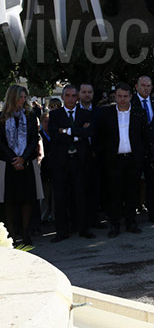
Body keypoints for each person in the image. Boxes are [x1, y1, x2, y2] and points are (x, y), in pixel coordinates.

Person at [95, 82, 148, 237]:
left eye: (125, 96)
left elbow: (144, 137)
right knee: (114, 194)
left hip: (133, 159)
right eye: (119, 96)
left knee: (132, 193)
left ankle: (131, 222)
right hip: (114, 160)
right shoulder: (106, 113)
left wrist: (142, 156)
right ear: (115, 96)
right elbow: (101, 137)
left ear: (131, 96)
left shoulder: (139, 113)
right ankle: (115, 225)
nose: (122, 99)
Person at [47, 83, 94, 241]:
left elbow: (88, 132)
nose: (71, 99)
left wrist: (66, 131)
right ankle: (62, 232)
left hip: (80, 161)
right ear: (62, 97)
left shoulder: (85, 114)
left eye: (74, 96)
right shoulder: (55, 115)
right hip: (61, 162)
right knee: (60, 197)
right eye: (67, 95)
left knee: (81, 196)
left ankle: (83, 228)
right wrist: (77, 134)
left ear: (78, 97)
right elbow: (54, 135)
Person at [0, 85, 43, 247]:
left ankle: (26, 234)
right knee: (10, 200)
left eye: (25, 97)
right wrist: (14, 159)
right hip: (8, 164)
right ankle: (12, 235)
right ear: (12, 98)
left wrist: (23, 158)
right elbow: (1, 143)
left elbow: (34, 139)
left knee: (27, 199)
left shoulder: (30, 116)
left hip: (26, 163)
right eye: (20, 97)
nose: (23, 100)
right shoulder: (2, 117)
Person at [132, 75, 154, 225]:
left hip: (153, 150)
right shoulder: (131, 102)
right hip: (136, 150)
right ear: (136, 87)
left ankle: (153, 213)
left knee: (152, 183)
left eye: (148, 86)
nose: (146, 88)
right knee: (133, 183)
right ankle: (131, 215)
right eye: (143, 85)